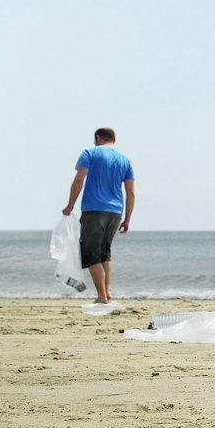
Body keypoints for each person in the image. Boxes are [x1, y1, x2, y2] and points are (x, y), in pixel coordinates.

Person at [62, 127, 134, 308]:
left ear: (98, 138)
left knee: (91, 254)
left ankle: (102, 297)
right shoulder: (125, 160)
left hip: (94, 210)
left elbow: (79, 179)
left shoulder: (90, 153)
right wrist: (127, 219)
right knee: (104, 253)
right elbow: (131, 192)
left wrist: (70, 205)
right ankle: (107, 292)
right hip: (116, 212)